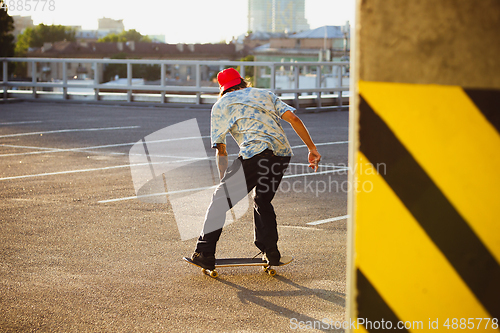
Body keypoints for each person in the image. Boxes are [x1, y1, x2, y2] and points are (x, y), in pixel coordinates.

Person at [191, 68, 321, 270]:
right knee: (262, 200)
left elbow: (221, 149)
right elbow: (294, 119)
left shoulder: (221, 105)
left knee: (219, 202)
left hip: (254, 154)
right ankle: (271, 252)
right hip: (281, 154)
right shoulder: (265, 94)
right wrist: (311, 148)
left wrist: (223, 181)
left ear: (222, 88)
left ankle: (205, 253)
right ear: (242, 81)